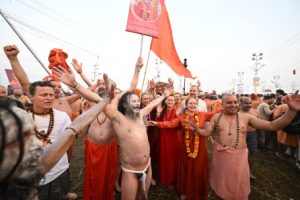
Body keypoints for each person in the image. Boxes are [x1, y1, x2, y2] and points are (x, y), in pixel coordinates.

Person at [0, 94, 110, 199]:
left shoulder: (34, 167)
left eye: (31, 134)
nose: (37, 144)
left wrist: (103, 102)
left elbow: (73, 131)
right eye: (21, 137)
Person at [195, 93, 300, 200]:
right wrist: (197, 129)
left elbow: (272, 126)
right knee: (222, 181)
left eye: (235, 102)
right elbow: (207, 133)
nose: (233, 105)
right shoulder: (216, 117)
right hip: (221, 155)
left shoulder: (246, 117)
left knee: (238, 182)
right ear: (222, 104)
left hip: (239, 156)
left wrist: (291, 111)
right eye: (229, 102)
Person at [149, 97, 219, 200]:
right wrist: (157, 123)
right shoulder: (182, 117)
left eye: (194, 104)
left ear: (197, 105)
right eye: (190, 103)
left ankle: (198, 192)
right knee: (186, 168)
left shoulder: (203, 115)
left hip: (200, 147)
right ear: (186, 105)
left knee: (198, 169)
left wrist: (221, 105)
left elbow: (215, 115)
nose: (192, 105)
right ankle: (185, 191)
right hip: (185, 148)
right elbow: (171, 123)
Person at [239, 96, 260, 179]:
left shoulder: (255, 112)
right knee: (239, 153)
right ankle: (239, 171)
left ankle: (249, 171)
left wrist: (261, 136)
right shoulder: (236, 112)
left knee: (252, 152)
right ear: (240, 103)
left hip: (252, 135)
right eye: (246, 103)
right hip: (240, 135)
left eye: (250, 103)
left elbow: (260, 123)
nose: (249, 105)